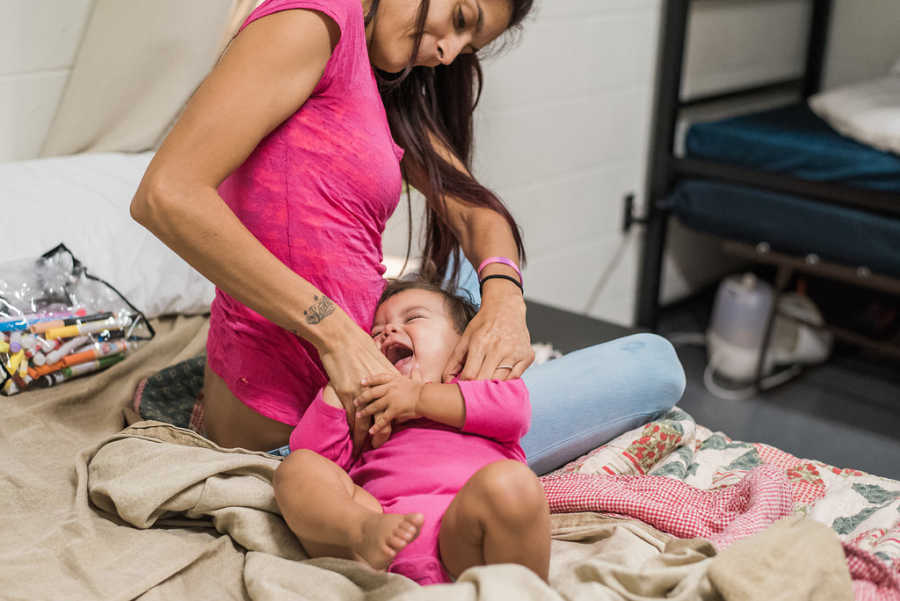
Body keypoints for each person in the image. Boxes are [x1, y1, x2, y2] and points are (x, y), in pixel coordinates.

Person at [131, 0, 686, 473]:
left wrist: (506, 305)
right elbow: (166, 194)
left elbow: (475, 212)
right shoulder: (313, 20)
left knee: (479, 269)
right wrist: (337, 335)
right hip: (315, 442)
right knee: (653, 363)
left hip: (373, 384)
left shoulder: (378, 75)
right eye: (461, 18)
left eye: (466, 47)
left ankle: (475, 352)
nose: (448, 52)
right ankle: (460, 391)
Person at [274, 279, 550, 585]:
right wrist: (342, 384)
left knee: (512, 484)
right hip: (376, 546)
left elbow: (512, 411)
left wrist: (417, 398)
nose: (388, 332)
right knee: (298, 468)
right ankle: (359, 527)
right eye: (375, 334)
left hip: (464, 543)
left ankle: (520, 592)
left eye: (413, 318)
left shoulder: (476, 382)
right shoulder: (371, 410)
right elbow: (316, 454)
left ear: (464, 343)